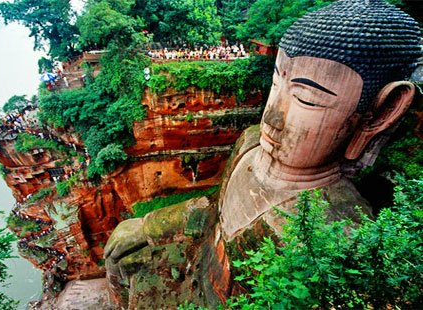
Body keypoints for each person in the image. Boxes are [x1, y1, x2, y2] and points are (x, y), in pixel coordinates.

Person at [104, 0, 422, 308]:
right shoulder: (250, 142)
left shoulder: (340, 239)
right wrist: (150, 226)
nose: (271, 117)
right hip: (193, 270)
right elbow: (213, 208)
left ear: (381, 112)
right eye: (275, 84)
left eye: (307, 99)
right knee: (121, 257)